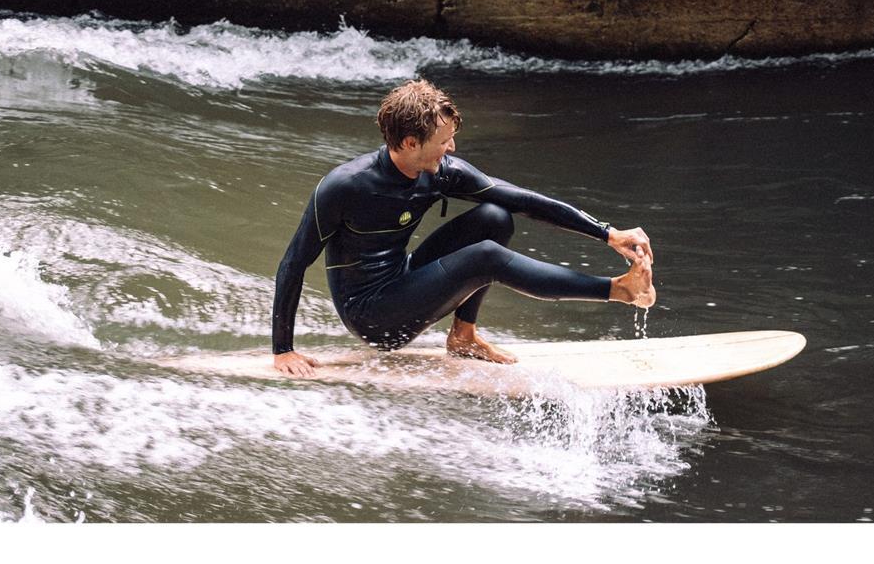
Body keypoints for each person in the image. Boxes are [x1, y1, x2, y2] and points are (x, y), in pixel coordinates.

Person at [272, 79, 655, 377]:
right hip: (372, 316)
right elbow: (293, 263)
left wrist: (608, 233)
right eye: (443, 140)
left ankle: (463, 336)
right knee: (485, 257)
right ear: (409, 142)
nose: (452, 148)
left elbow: (522, 199)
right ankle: (618, 291)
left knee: (495, 217)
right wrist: (283, 349)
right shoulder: (344, 186)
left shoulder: (440, 173)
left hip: (402, 279)